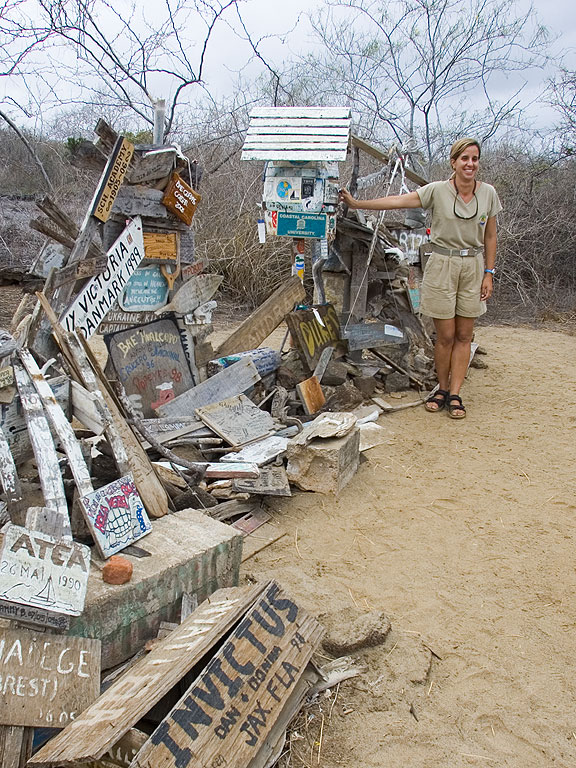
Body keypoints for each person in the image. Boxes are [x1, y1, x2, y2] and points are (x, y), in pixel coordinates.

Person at [339, 138, 502, 419]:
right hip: (441, 264)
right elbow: (397, 201)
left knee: (465, 335)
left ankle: (456, 393)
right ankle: (441, 388)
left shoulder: (488, 194)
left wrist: (489, 272)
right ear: (454, 162)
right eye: (464, 158)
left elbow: (490, 236)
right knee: (445, 336)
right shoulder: (437, 191)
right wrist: (357, 203)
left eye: (475, 159)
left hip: (473, 266)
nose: (470, 164)